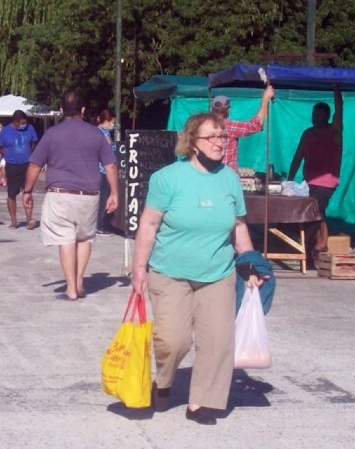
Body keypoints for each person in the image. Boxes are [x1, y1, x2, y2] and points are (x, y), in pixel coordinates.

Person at [130, 112, 258, 425]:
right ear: (192, 143)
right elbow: (148, 223)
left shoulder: (229, 178)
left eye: (222, 136)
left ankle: (202, 402)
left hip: (218, 272)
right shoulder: (167, 178)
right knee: (173, 341)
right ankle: (163, 382)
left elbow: (238, 225)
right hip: (170, 271)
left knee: (217, 341)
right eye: (210, 137)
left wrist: (251, 262)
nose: (219, 142)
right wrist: (138, 268)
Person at [22, 90, 118, 300]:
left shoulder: (52, 134)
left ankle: (71, 289)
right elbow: (110, 165)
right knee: (84, 238)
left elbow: (34, 165)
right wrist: (114, 194)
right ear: (83, 110)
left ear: (62, 110)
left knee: (66, 239)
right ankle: (80, 281)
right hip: (90, 195)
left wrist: (27, 190)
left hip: (61, 194)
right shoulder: (96, 134)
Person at [288, 84, 343, 256]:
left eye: (319, 115)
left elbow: (340, 111)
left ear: (327, 116)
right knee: (318, 211)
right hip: (308, 181)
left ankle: (302, 244)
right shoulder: (307, 134)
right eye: (313, 115)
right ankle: (321, 242)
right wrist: (289, 180)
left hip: (327, 181)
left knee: (315, 209)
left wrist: (336, 90)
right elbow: (297, 157)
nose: (315, 118)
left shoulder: (333, 132)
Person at [211, 85, 275, 171]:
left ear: (212, 108)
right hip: (226, 177)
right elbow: (254, 125)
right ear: (227, 110)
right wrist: (265, 99)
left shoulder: (203, 125)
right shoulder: (228, 126)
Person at [0, 110, 39, 229]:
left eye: (25, 122)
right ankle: (14, 221)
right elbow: (0, 147)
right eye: (21, 123)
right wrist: (8, 156)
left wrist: (30, 155)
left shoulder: (30, 128)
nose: (24, 125)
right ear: (15, 122)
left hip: (27, 165)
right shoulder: (5, 131)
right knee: (11, 193)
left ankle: (29, 219)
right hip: (12, 166)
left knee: (28, 191)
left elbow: (34, 143)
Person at [94, 109, 117, 236]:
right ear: (106, 121)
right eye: (112, 122)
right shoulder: (104, 134)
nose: (113, 125)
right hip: (103, 170)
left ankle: (98, 224)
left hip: (97, 170)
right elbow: (110, 152)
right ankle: (100, 225)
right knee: (102, 199)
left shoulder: (96, 132)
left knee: (99, 199)